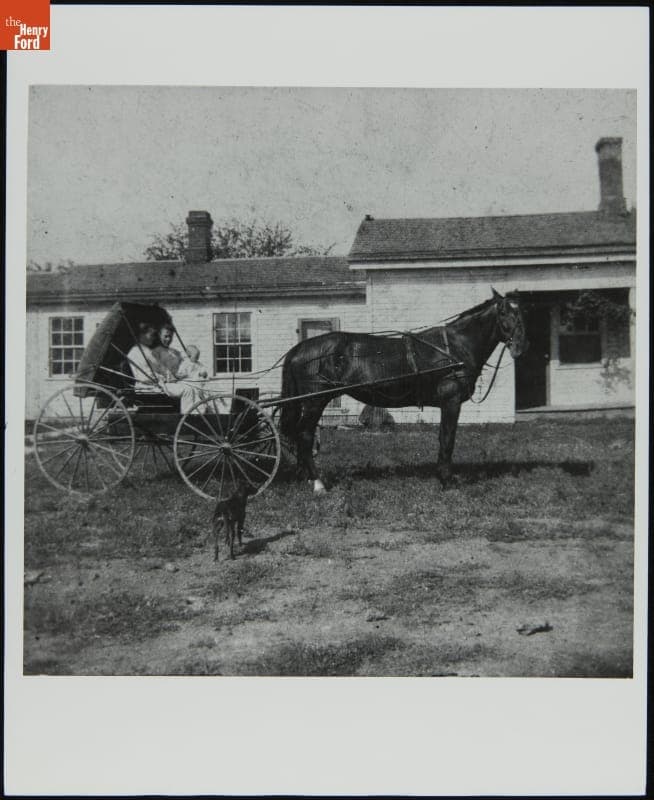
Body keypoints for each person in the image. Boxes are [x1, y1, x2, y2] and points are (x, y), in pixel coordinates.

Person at [126, 322, 205, 414]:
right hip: (148, 387)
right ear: (141, 336)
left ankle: (197, 413)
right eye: (150, 335)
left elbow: (161, 369)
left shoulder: (147, 352)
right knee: (187, 390)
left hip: (157, 384)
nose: (153, 338)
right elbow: (144, 376)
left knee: (193, 387)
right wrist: (164, 379)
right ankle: (188, 418)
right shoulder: (136, 353)